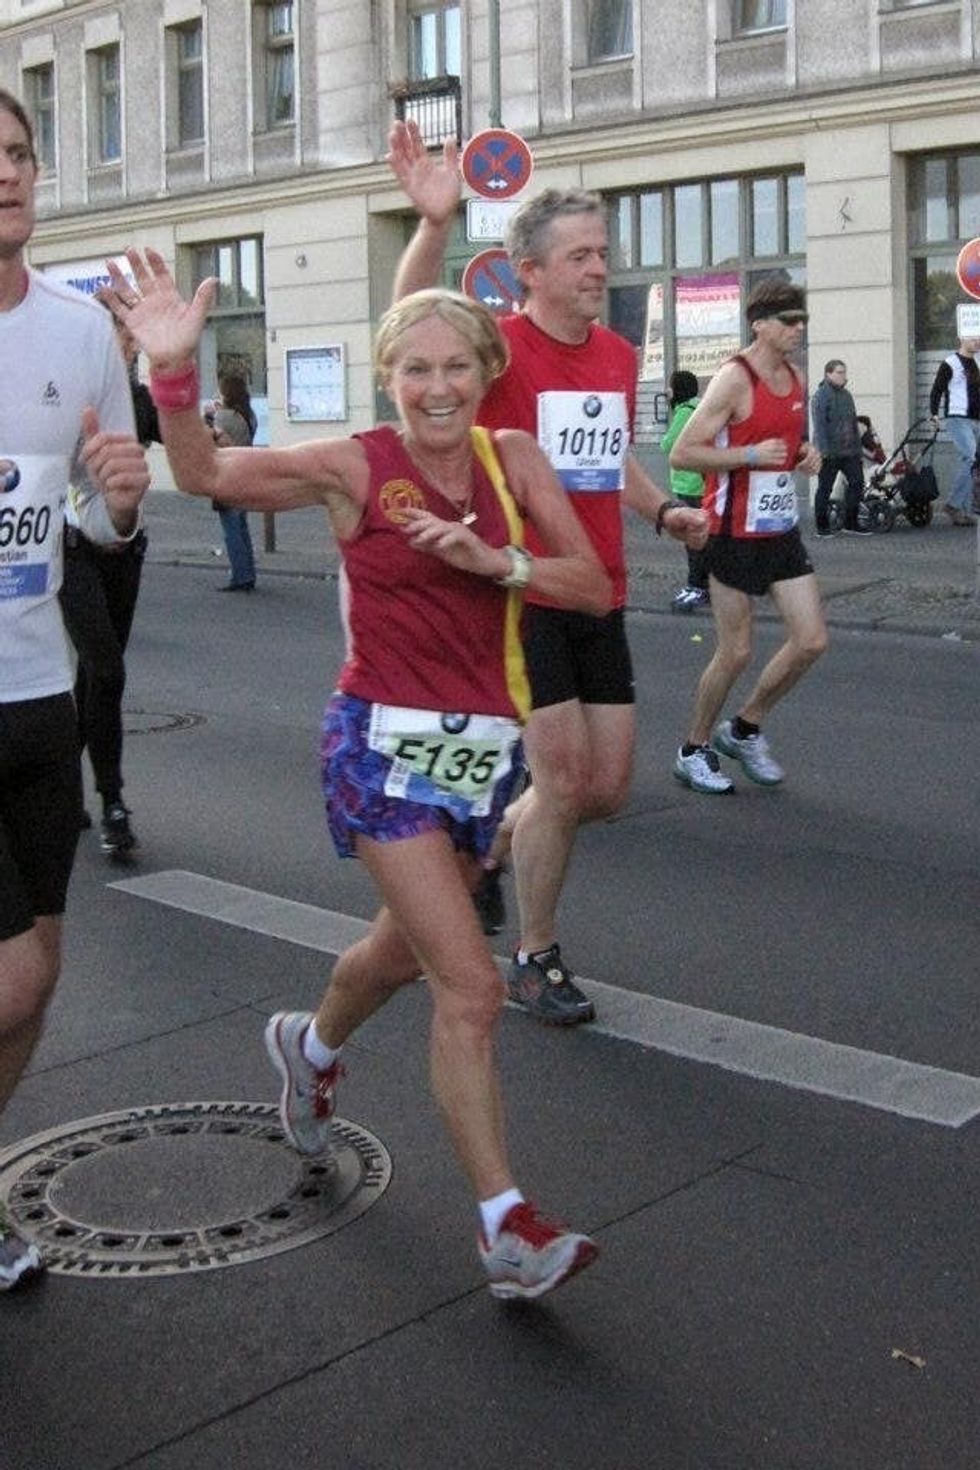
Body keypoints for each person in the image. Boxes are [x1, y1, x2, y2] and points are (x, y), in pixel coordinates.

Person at [106, 246, 611, 1300]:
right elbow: (205, 477)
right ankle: (504, 1228)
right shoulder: (351, 465)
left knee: (395, 949)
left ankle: (309, 1045)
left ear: (482, 372)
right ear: (389, 377)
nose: (435, 389)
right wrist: (173, 375)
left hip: (475, 757)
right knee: (468, 986)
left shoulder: (513, 459)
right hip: (373, 745)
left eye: (455, 369)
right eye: (414, 370)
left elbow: (592, 587)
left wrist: (496, 563)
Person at [387, 119, 707, 1023]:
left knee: (603, 790)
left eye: (602, 253)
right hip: (519, 586)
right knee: (564, 783)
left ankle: (488, 844)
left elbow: (611, 462)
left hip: (596, 586)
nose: (599, 269)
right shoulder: (498, 349)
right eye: (579, 256)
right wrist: (435, 226)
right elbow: (412, 319)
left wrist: (664, 511)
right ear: (529, 271)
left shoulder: (613, 352)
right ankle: (536, 956)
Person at [0, 89, 150, 1290]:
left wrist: (125, 496)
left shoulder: (77, 329)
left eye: (15, 155)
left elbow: (98, 521)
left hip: (39, 689)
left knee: (35, 974)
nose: (4, 174)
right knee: (18, 976)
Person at [669, 277, 826, 796]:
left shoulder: (798, 377)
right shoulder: (734, 379)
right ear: (759, 324)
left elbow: (790, 443)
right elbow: (683, 453)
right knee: (735, 651)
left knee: (811, 640)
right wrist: (747, 456)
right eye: (788, 321)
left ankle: (744, 727)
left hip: (779, 529)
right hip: (730, 532)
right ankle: (693, 749)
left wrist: (807, 456)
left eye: (802, 320)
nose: (798, 329)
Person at [59, 293, 160, 858]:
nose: (125, 341)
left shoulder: (139, 399)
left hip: (126, 549)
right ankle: (113, 802)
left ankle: (59, 783)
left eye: (128, 332)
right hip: (71, 546)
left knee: (95, 679)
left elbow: (190, 443)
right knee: (107, 669)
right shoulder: (72, 399)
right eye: (116, 331)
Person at [662, 369, 710, 609]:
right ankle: (708, 585)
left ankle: (696, 586)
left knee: (694, 538)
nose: (667, 392)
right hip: (700, 481)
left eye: (670, 386)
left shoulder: (685, 412)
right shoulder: (699, 408)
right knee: (705, 535)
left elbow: (667, 444)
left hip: (689, 483)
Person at [206, 372, 258, 590]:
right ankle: (248, 572)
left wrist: (209, 417)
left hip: (226, 475)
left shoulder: (223, 417)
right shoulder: (248, 415)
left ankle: (240, 575)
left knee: (231, 530)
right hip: (245, 472)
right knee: (242, 526)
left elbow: (210, 439)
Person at [811, 359, 870, 537]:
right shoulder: (821, 395)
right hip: (830, 452)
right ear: (828, 374)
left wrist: (858, 448)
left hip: (849, 450)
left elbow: (853, 423)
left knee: (857, 483)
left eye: (844, 372)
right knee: (825, 488)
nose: (843, 376)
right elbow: (819, 426)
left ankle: (850, 523)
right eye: (839, 372)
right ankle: (822, 526)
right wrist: (824, 451)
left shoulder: (847, 396)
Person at [929, 335, 980, 526]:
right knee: (970, 457)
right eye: (973, 338)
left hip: (977, 419)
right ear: (961, 339)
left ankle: (964, 510)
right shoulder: (951, 363)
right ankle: (953, 505)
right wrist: (934, 413)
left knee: (972, 463)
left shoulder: (978, 361)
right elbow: (937, 390)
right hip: (958, 418)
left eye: (979, 338)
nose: (977, 341)